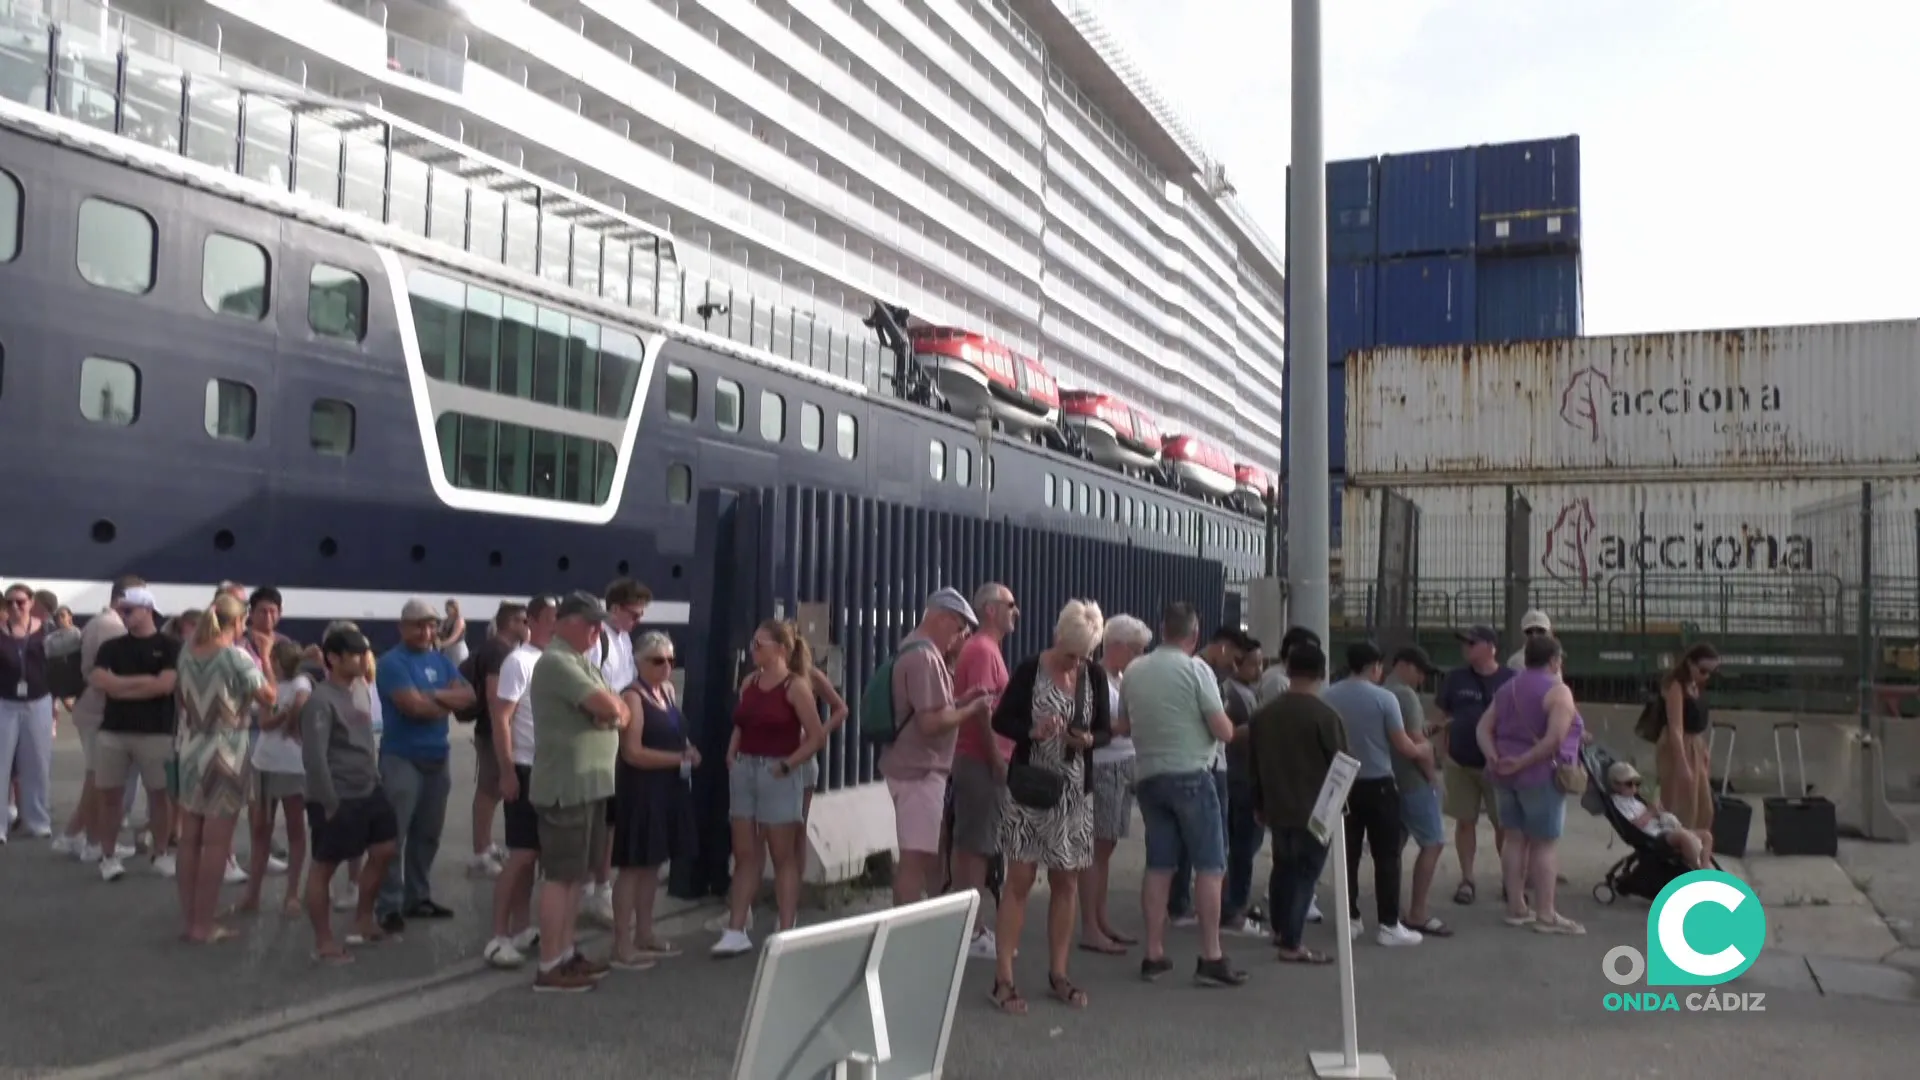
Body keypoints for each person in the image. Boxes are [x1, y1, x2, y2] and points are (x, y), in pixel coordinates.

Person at [985, 600, 1111, 1015]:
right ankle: (1003, 979)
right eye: (1071, 652)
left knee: (1067, 883)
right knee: (1019, 880)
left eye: (1083, 654)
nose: (1076, 661)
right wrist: (1034, 731)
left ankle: (1059, 973)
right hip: (1031, 789)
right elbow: (1001, 721)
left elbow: (1105, 730)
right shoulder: (1029, 670)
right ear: (1058, 636)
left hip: (1074, 793)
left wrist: (1089, 740)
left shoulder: (1092, 675)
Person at [1123, 602, 1246, 987]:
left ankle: (1153, 953)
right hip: (1192, 774)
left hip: (1148, 777)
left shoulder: (1135, 670)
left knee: (1159, 865)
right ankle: (1211, 954)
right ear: (1194, 635)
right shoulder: (1197, 671)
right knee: (1210, 866)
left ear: (1162, 630)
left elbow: (1125, 725)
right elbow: (1223, 730)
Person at [529, 591, 630, 992]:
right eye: (589, 622)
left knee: (576, 877)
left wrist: (611, 713)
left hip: (587, 785)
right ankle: (549, 962)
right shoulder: (556, 662)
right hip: (565, 787)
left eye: (598, 623)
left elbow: (619, 708)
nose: (596, 630)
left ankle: (566, 952)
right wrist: (610, 714)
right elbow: (609, 708)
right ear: (564, 622)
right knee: (560, 877)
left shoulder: (582, 663)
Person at [715, 620, 823, 957]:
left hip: (778, 770)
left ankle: (786, 927)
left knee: (782, 854)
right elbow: (742, 723)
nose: (752, 650)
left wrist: (789, 764)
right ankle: (735, 930)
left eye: (758, 644)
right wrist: (733, 753)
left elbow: (816, 735)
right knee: (745, 852)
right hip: (746, 768)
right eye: (753, 643)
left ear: (780, 649)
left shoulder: (795, 687)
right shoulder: (750, 682)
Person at [173, 593, 276, 943]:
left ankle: (191, 919)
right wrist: (264, 655)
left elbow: (182, 699)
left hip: (191, 746)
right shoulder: (236, 657)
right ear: (238, 623)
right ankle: (204, 925)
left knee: (190, 839)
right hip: (227, 749)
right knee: (217, 844)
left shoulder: (187, 651)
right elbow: (269, 697)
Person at [880, 589, 990, 909]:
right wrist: (973, 709)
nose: (959, 639)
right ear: (942, 619)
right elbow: (931, 723)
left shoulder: (914, 649)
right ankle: (905, 932)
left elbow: (929, 709)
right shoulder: (924, 656)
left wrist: (962, 701)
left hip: (913, 766)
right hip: (919, 769)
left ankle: (911, 925)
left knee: (919, 856)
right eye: (958, 629)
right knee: (915, 859)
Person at [373, 597, 476, 935]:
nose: (426, 630)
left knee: (427, 834)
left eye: (431, 624)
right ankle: (387, 904)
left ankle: (417, 896)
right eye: (418, 624)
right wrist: (443, 699)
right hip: (402, 757)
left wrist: (430, 698)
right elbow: (411, 707)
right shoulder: (392, 662)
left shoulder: (441, 661)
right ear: (402, 627)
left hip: (437, 756)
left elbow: (469, 697)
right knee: (394, 835)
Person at [300, 627, 400, 964]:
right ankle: (324, 942)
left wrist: (374, 779)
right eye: (355, 653)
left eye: (364, 652)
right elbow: (314, 756)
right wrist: (328, 802)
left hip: (369, 787)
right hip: (337, 793)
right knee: (324, 867)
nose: (362, 659)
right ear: (333, 658)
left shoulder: (359, 689)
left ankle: (362, 921)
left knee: (385, 848)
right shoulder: (320, 700)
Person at [1320, 642, 1430, 947]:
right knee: (1387, 856)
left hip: (1344, 781)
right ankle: (1388, 924)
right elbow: (1403, 745)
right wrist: (1425, 748)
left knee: (1349, 853)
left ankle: (1350, 917)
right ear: (1374, 667)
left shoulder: (1328, 696)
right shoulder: (1385, 698)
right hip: (1379, 782)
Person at [1480, 633, 1586, 936]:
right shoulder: (1558, 692)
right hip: (1541, 776)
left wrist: (1494, 756)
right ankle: (1546, 913)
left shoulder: (1507, 688)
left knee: (1514, 840)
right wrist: (1524, 761)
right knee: (1544, 844)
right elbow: (1554, 738)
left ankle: (1516, 907)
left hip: (1504, 776)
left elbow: (1483, 728)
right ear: (1554, 660)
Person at [1249, 642, 1347, 965]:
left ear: (1287, 671)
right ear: (1322, 673)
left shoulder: (1264, 715)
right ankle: (1292, 942)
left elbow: (1255, 762)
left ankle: (1279, 929)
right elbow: (1342, 765)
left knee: (1283, 867)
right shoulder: (1325, 716)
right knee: (1306, 873)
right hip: (1316, 809)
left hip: (1277, 805)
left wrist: (1259, 801)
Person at [608, 631, 699, 969]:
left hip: (668, 789)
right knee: (633, 867)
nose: (665, 666)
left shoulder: (668, 691)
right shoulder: (633, 697)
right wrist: (678, 760)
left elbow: (675, 734)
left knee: (653, 865)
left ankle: (646, 932)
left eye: (670, 660)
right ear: (640, 662)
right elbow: (632, 752)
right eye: (657, 660)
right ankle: (621, 942)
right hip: (642, 790)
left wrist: (687, 749)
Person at [86, 586, 179, 881]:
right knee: (109, 796)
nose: (122, 615)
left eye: (128, 610)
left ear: (147, 610)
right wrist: (144, 684)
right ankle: (109, 856)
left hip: (156, 732)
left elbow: (165, 685)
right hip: (113, 732)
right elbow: (99, 681)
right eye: (121, 610)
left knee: (160, 796)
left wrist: (120, 684)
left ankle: (161, 853)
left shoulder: (169, 646)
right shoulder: (111, 647)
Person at [483, 595, 555, 969]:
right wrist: (507, 771)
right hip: (524, 767)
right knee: (521, 854)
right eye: (555, 617)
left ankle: (523, 926)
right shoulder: (519, 661)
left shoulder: (553, 661)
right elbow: (501, 719)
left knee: (535, 855)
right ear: (536, 620)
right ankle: (497, 935)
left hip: (548, 770)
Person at [947, 582, 1016, 960]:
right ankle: (969, 933)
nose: (1015, 611)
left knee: (976, 845)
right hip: (979, 761)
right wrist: (996, 759)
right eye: (1010, 604)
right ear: (990, 610)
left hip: (979, 759)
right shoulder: (983, 651)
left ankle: (969, 926)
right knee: (974, 848)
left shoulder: (985, 650)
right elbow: (982, 711)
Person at [1079, 613, 1150, 954]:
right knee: (1097, 848)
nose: (1139, 656)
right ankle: (1090, 926)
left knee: (1107, 848)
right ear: (1117, 645)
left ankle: (1101, 918)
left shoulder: (1122, 678)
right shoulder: (1096, 678)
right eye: (1136, 649)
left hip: (1123, 764)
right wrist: (1129, 724)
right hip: (1105, 766)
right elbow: (1100, 724)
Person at [1436, 624, 1516, 906]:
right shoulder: (1455, 679)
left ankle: (1511, 881)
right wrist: (1442, 752)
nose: (1466, 648)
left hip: (1499, 765)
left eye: (1472, 643)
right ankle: (1467, 879)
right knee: (1465, 821)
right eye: (1464, 643)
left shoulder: (1510, 679)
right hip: (1460, 763)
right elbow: (1444, 714)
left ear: (1491, 647)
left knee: (1504, 826)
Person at [237, 641, 311, 914]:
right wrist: (288, 716)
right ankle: (252, 894)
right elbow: (265, 722)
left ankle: (292, 893)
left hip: (293, 767)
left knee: (295, 828)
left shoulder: (301, 681)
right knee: (260, 830)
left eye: (274, 660)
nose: (271, 665)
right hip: (264, 764)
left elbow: (302, 702)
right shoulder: (270, 686)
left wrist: (289, 718)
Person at [1383, 646, 1451, 937]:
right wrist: (1431, 775)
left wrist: (1428, 728)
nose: (1422, 679)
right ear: (1405, 665)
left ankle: (1391, 908)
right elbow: (1413, 742)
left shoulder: (1382, 691)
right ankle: (1418, 912)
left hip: (1388, 778)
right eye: (1420, 671)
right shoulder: (1406, 695)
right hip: (1412, 779)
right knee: (1433, 842)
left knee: (1393, 847)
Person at [463, 602, 529, 879]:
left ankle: (486, 845)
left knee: (493, 791)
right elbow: (494, 695)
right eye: (524, 621)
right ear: (511, 622)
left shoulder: (499, 649)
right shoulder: (499, 651)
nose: (527, 626)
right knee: (489, 791)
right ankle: (480, 852)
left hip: (492, 729)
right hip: (492, 732)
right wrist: (502, 731)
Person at [0, 581, 55, 841]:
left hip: (38, 702)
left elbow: (57, 667)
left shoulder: (45, 632)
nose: (15, 607)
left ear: (31, 603)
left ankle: (38, 821)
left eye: (20, 602)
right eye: (9, 602)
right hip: (4, 704)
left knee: (38, 764)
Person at [1657, 643, 1719, 833]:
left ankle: (1697, 847)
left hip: (1695, 744)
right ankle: (1681, 847)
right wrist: (1682, 763)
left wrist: (1703, 749)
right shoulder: (1677, 686)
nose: (1706, 676)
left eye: (1711, 672)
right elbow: (1676, 728)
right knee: (1682, 804)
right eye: (1702, 670)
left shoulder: (1695, 685)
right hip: (1680, 746)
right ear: (1690, 664)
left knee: (1703, 806)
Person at [1607, 762, 1714, 870]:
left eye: (1637, 783)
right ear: (1616, 785)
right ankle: (1698, 868)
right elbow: (1634, 825)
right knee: (1684, 837)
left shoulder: (1635, 799)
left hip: (1662, 829)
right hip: (1653, 837)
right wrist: (1651, 812)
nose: (1634, 787)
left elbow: (1652, 814)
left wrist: (1658, 811)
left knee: (1706, 835)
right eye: (1629, 784)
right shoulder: (1618, 802)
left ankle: (1705, 865)